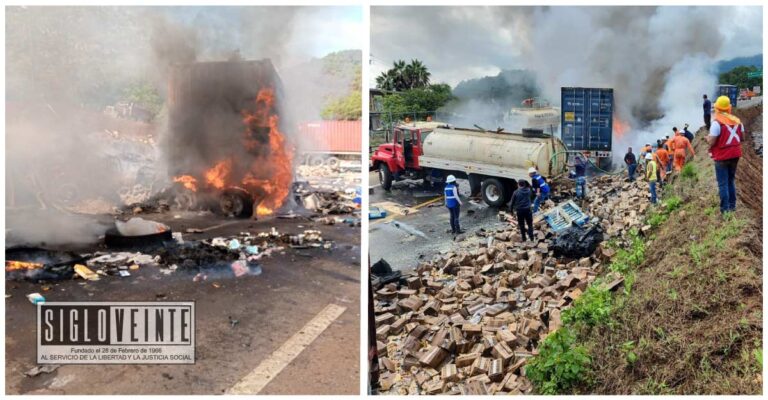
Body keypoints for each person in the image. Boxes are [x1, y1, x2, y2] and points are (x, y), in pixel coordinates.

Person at [706, 95, 744, 213]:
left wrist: (707, 139)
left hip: (722, 157)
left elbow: (712, 142)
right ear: (729, 108)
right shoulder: (737, 121)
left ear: (717, 108)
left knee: (723, 184)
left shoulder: (716, 123)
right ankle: (732, 206)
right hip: (735, 155)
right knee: (730, 181)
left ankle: (725, 210)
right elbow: (742, 138)